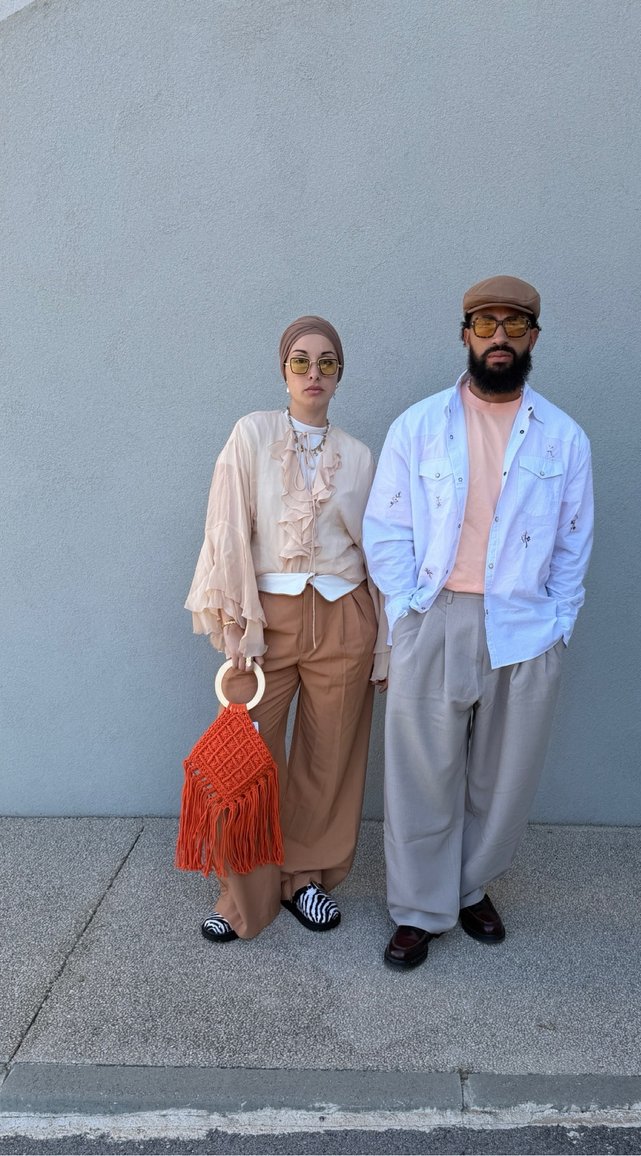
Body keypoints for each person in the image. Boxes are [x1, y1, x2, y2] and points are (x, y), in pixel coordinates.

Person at [363, 276, 593, 969]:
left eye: (515, 325)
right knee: (420, 773)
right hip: (436, 616)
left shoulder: (563, 437)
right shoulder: (419, 426)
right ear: (464, 333)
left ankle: (465, 889)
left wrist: (558, 625)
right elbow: (387, 527)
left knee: (503, 779)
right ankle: (418, 910)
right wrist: (405, 611)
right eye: (486, 323)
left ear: (533, 338)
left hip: (523, 626)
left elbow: (575, 541)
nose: (500, 336)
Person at [186, 315, 388, 943]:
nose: (314, 373)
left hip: (343, 614)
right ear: (283, 369)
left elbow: (381, 551)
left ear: (340, 373)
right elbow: (227, 528)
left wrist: (383, 642)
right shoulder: (252, 434)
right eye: (302, 361)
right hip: (266, 621)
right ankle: (241, 895)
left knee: (329, 757)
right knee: (248, 760)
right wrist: (238, 623)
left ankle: (305, 877)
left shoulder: (358, 456)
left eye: (328, 362)